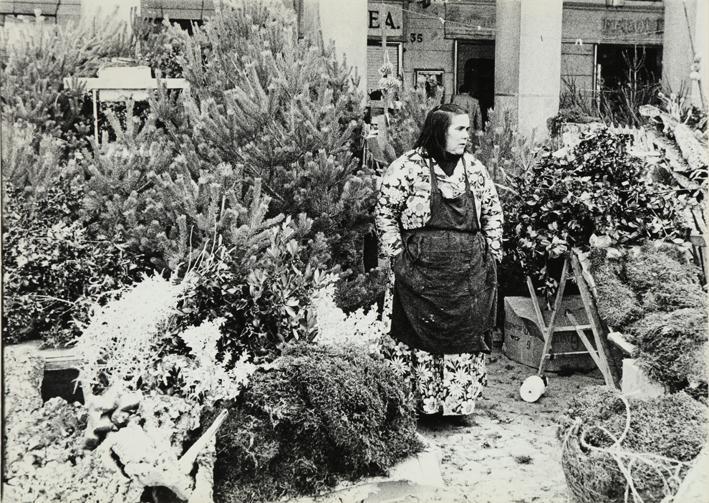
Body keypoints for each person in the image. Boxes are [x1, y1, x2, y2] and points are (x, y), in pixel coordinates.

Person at [374, 103, 503, 423]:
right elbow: (385, 213)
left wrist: (491, 255)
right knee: (415, 337)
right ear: (437, 132)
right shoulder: (407, 168)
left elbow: (493, 213)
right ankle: (416, 406)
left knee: (462, 338)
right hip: (418, 276)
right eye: (458, 129)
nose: (466, 136)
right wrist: (397, 256)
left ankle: (457, 408)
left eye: (467, 129)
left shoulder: (474, 169)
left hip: (467, 277)